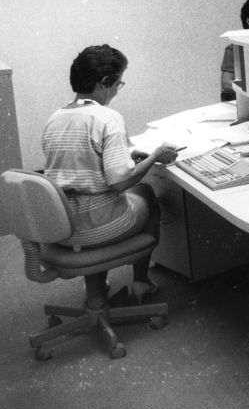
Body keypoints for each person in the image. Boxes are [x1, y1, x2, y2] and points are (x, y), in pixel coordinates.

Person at [42, 45, 179, 304]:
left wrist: (128, 157)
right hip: (98, 227)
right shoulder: (107, 118)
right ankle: (142, 282)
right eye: (119, 82)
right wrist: (153, 157)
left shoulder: (55, 117)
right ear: (104, 82)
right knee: (145, 194)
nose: (117, 89)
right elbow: (120, 182)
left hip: (63, 225)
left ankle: (95, 293)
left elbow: (82, 166)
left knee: (100, 201)